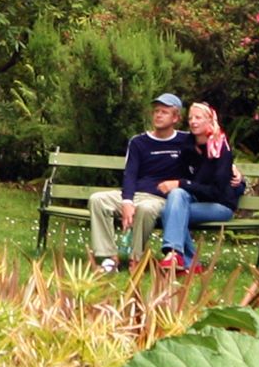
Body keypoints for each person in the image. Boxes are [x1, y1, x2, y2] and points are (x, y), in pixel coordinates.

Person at [87, 93, 192, 274]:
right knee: (97, 199)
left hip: (160, 199)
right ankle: (109, 258)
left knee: (145, 208)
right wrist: (127, 201)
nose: (158, 115)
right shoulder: (138, 142)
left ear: (176, 118)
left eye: (164, 112)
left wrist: (233, 168)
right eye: (156, 111)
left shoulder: (186, 141)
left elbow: (212, 156)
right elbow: (130, 175)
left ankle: (136, 259)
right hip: (134, 194)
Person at [156, 102, 238, 272]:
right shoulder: (187, 144)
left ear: (210, 120)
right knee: (177, 196)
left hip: (220, 205)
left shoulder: (221, 149)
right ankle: (176, 255)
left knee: (171, 211)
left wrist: (183, 183)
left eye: (198, 118)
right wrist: (182, 185)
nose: (193, 122)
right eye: (191, 118)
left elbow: (216, 191)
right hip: (193, 199)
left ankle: (187, 260)